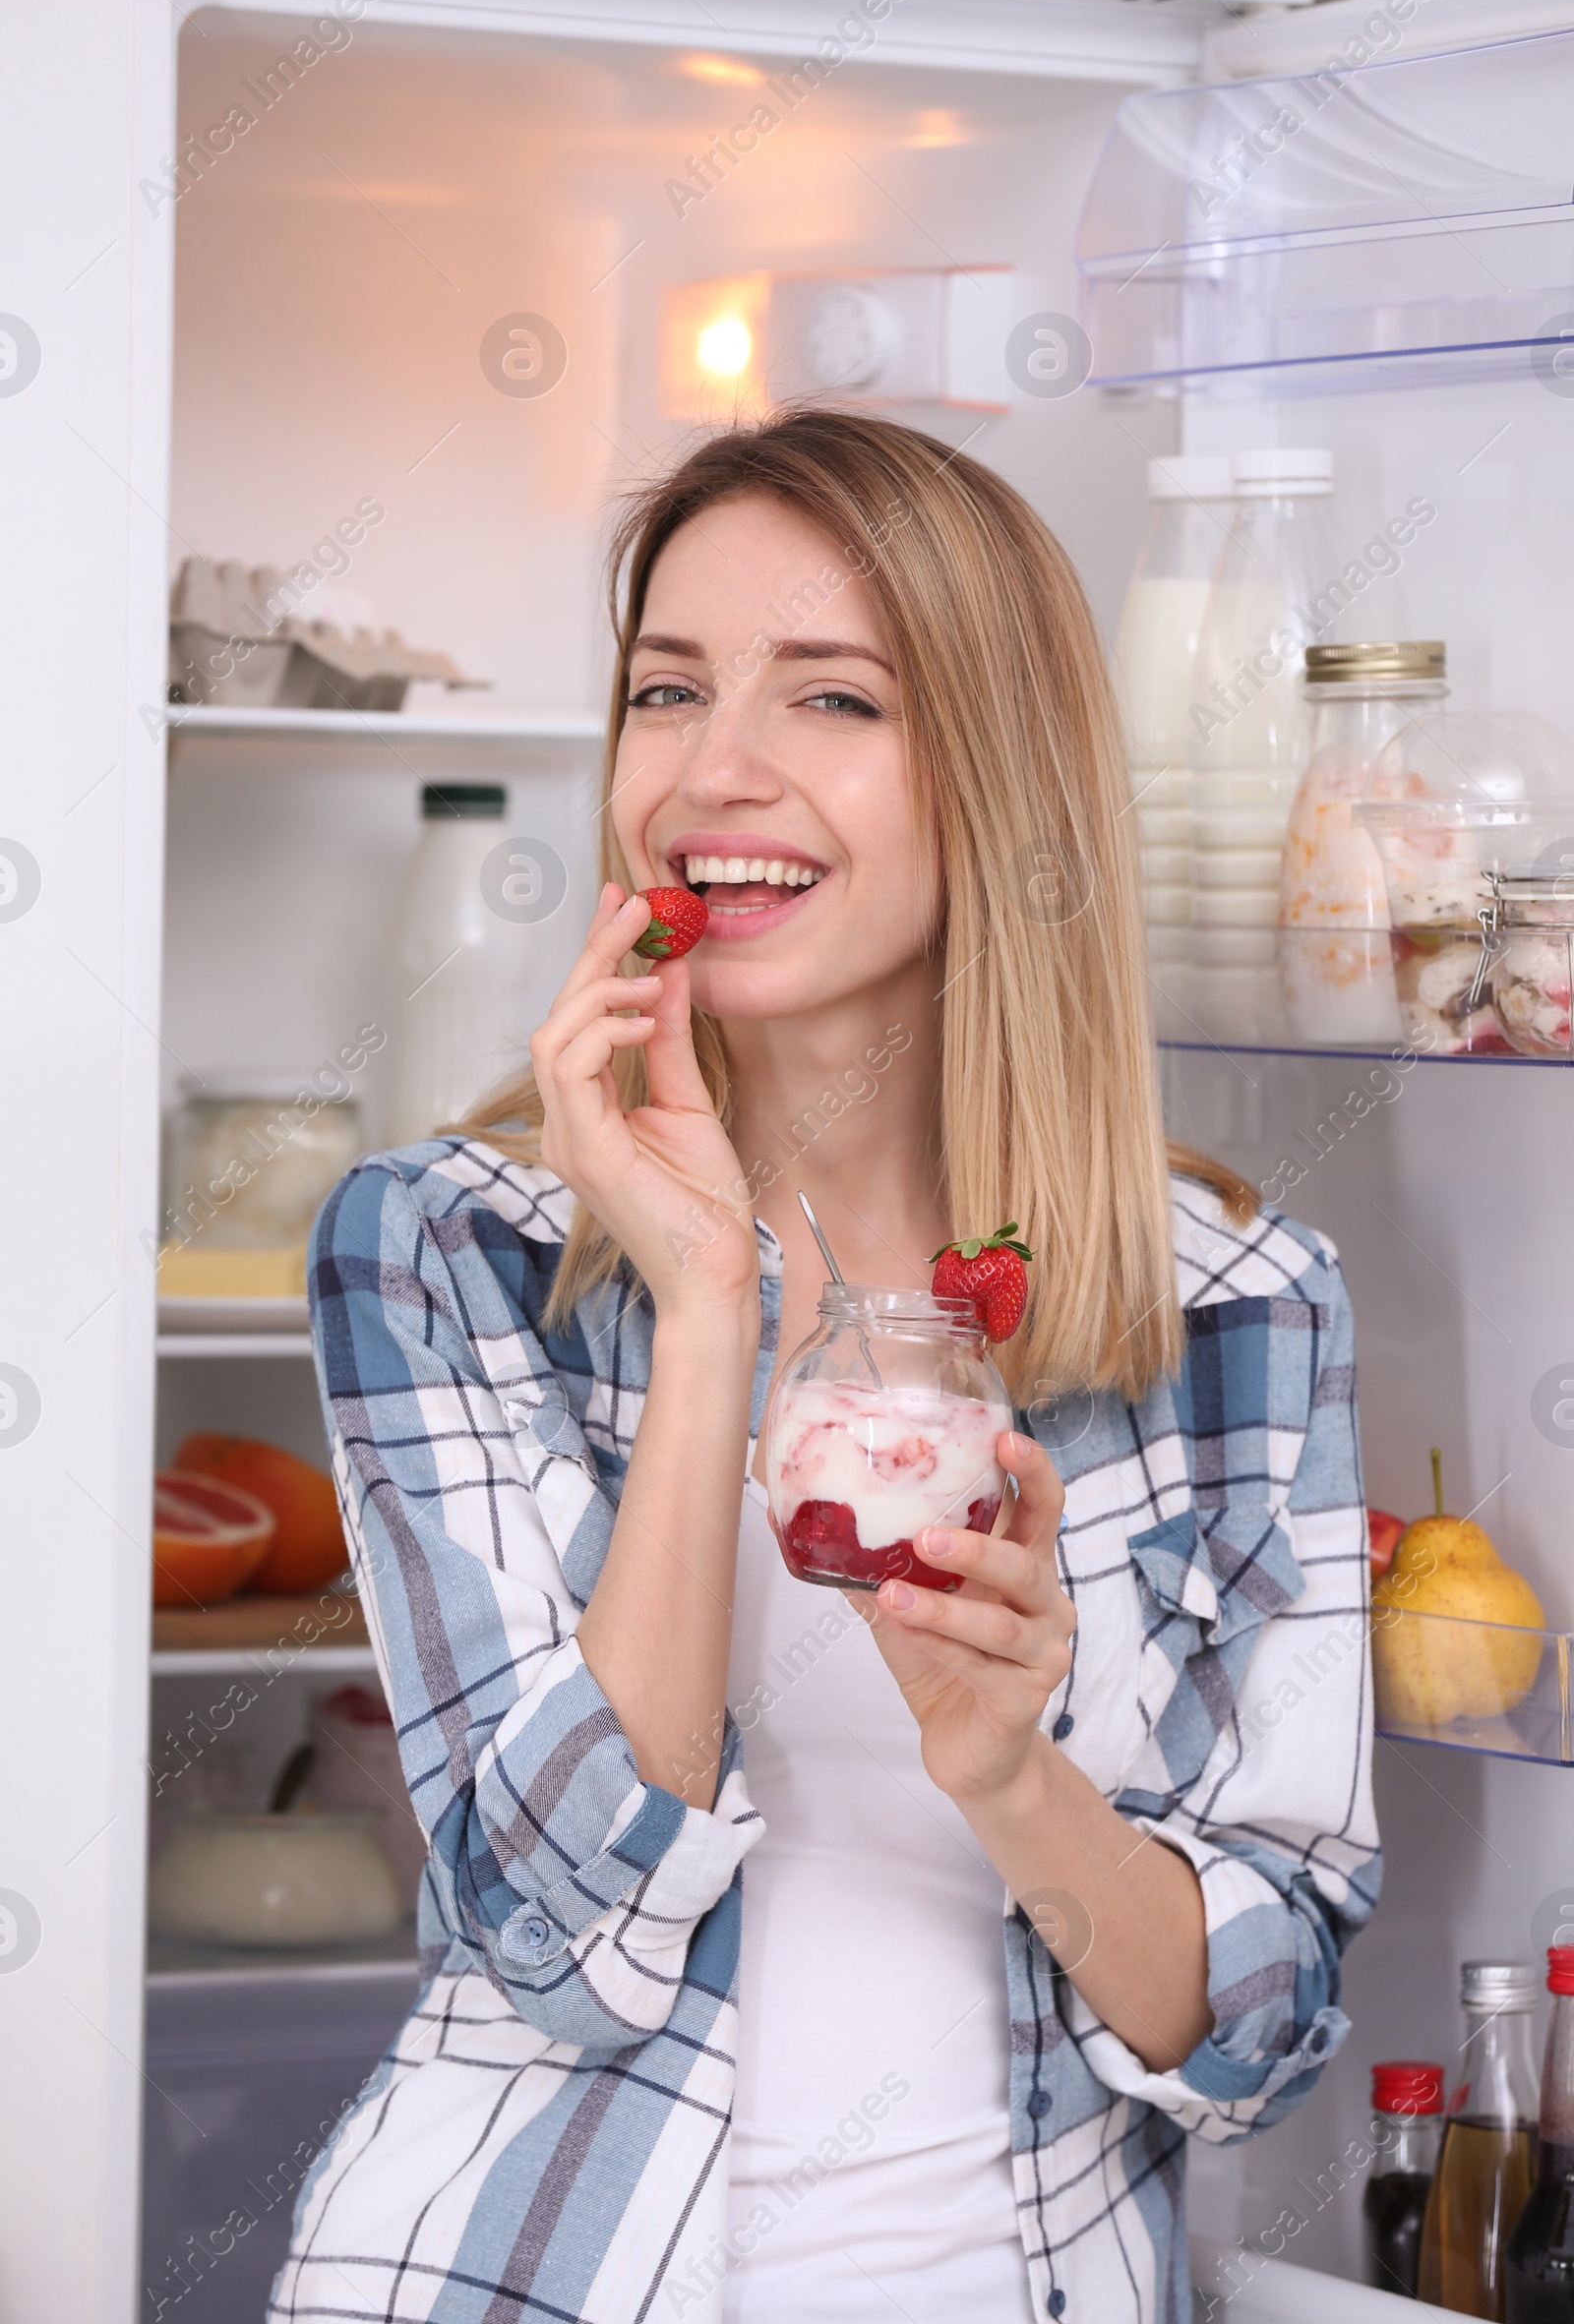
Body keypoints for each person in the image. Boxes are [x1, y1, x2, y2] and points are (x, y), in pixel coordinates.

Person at [272, 408, 1379, 2324]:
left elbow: (1257, 2030)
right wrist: (704, 1313)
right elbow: (557, 1943)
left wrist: (1006, 1771)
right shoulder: (445, 1244)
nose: (716, 774)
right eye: (666, 690)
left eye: (832, 702)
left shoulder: (1240, 1309)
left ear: (1000, 782)